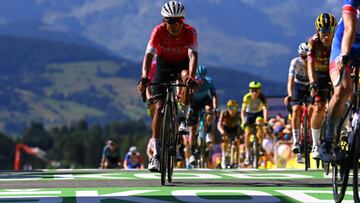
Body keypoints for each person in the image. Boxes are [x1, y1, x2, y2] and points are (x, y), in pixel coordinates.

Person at [137, 0, 198, 172]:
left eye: (179, 20)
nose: (175, 25)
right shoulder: (158, 31)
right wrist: (144, 76)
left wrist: (192, 77)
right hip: (163, 65)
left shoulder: (190, 31)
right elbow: (148, 55)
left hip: (182, 65)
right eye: (171, 21)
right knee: (159, 107)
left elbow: (193, 55)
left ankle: (183, 117)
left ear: (183, 20)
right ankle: (156, 155)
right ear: (165, 21)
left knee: (186, 78)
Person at [320, 2, 360, 162]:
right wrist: (344, 55)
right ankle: (328, 140)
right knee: (343, 88)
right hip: (344, 43)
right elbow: (350, 28)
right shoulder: (352, 1)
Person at [307, 13, 337, 160]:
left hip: (334, 71)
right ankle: (316, 144)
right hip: (319, 74)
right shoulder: (313, 42)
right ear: (318, 31)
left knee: (343, 99)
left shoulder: (339, 39)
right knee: (318, 106)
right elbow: (310, 64)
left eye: (330, 30)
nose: (327, 34)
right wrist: (313, 82)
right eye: (323, 31)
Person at [187, 64, 218, 166]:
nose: (200, 80)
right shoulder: (192, 82)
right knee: (192, 129)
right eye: (198, 77)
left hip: (205, 101)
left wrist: (215, 107)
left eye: (202, 77)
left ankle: (208, 131)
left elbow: (214, 96)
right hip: (194, 103)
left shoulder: (209, 82)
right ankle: (192, 153)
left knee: (209, 110)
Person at [284, 42, 311, 153]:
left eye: (306, 57)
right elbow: (290, 80)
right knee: (296, 109)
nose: (304, 59)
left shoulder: (313, 61)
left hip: (310, 85)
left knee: (312, 109)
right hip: (298, 86)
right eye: (302, 56)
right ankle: (296, 140)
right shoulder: (295, 62)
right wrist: (290, 95)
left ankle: (310, 135)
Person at [241, 81, 268, 166]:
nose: (254, 92)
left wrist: (266, 121)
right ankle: (247, 152)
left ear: (259, 91)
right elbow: (243, 111)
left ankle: (260, 144)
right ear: (249, 90)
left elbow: (265, 110)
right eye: (252, 90)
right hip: (249, 115)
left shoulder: (262, 97)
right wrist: (243, 121)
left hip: (258, 113)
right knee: (247, 133)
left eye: (256, 90)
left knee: (260, 122)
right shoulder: (246, 97)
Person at [217, 99, 242, 169]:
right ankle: (224, 156)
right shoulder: (224, 113)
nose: (232, 110)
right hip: (225, 128)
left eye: (234, 108)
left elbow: (241, 125)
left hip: (234, 128)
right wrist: (222, 132)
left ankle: (237, 162)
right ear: (228, 108)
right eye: (230, 108)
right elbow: (219, 124)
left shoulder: (238, 114)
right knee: (225, 140)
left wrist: (240, 134)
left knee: (237, 142)